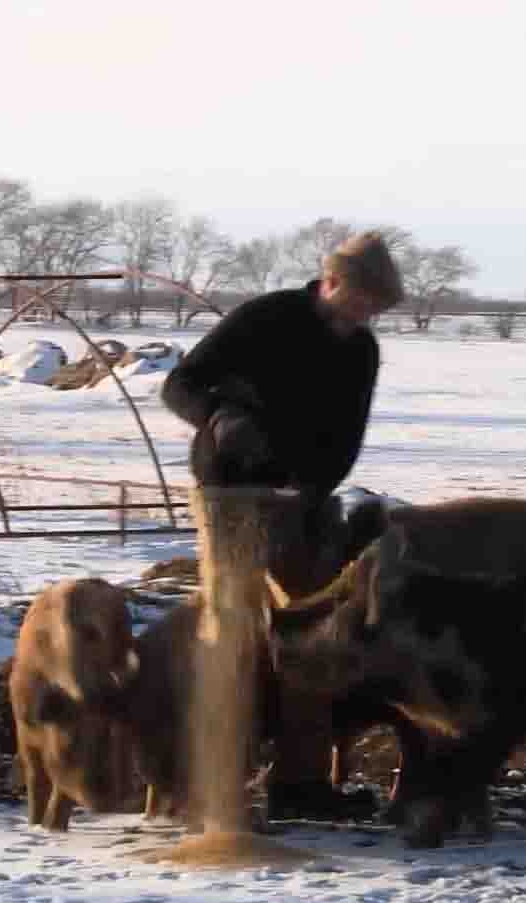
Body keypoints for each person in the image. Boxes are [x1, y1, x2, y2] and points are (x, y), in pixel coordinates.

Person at [159, 231, 404, 821]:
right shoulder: (266, 319)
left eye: (376, 307)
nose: (366, 315)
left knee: (316, 633)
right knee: (233, 627)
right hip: (233, 494)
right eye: (363, 300)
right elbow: (180, 385)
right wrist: (221, 420)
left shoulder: (360, 351)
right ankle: (214, 784)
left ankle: (301, 786)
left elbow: (349, 434)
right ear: (333, 281)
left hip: (305, 502)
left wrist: (315, 487)